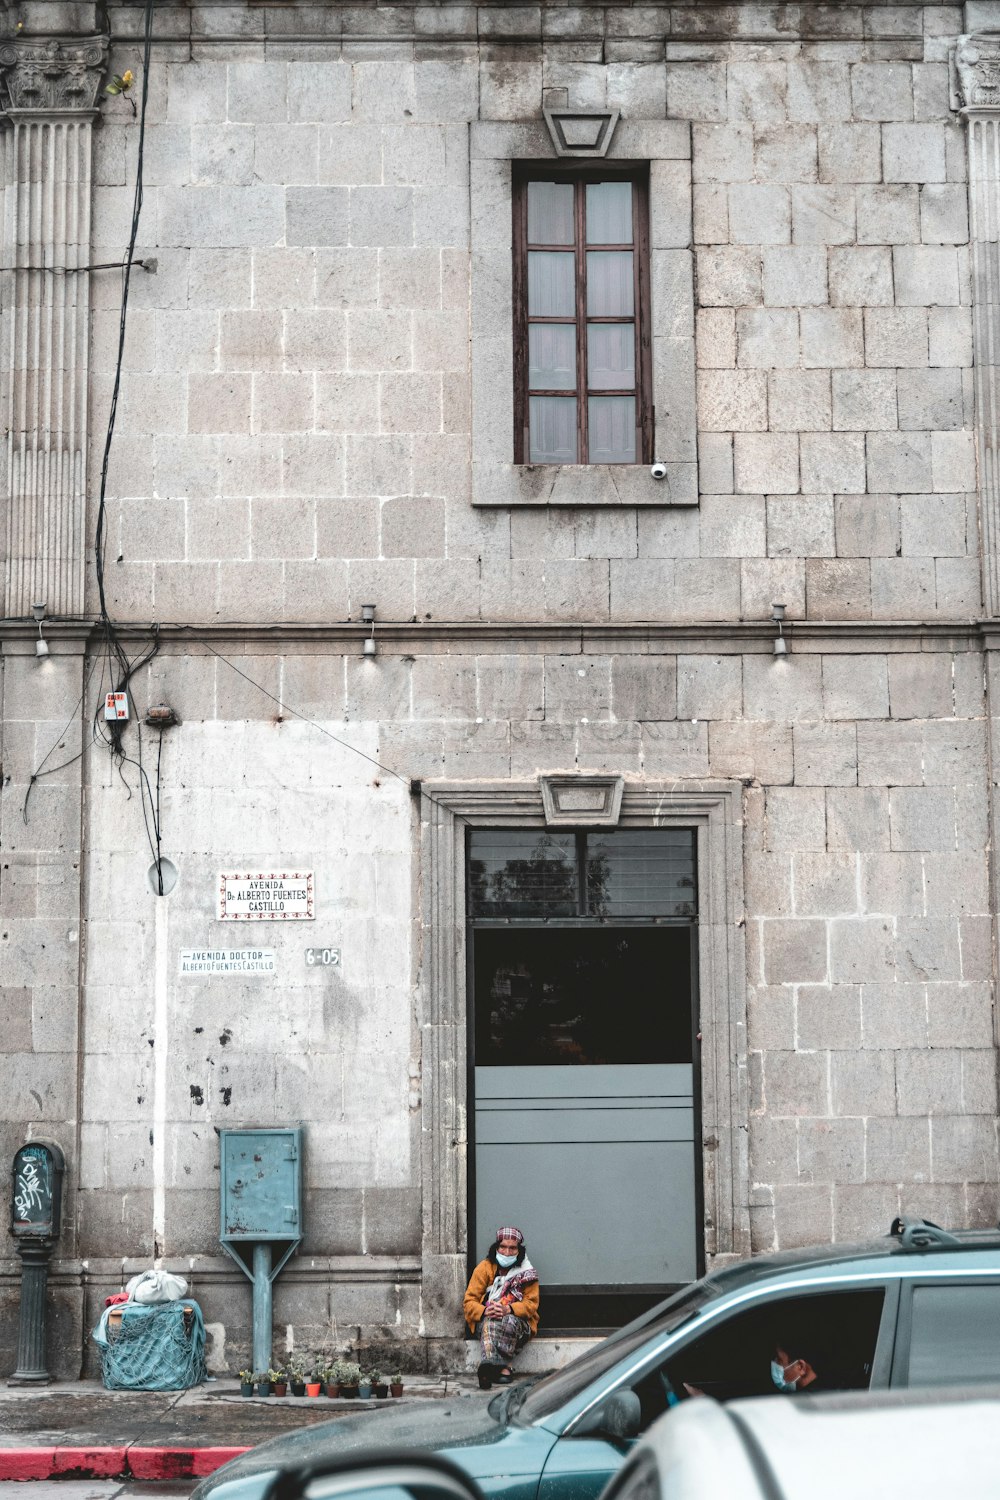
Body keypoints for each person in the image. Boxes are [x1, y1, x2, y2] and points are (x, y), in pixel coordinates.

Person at [463, 1225, 539, 1389]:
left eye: (512, 1248)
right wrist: (484, 1310)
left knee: (508, 1320)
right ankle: (502, 1367)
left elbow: (531, 1305)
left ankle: (490, 1367)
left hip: (518, 1324)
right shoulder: (484, 1268)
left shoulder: (527, 1272)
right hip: (487, 1321)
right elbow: (469, 1302)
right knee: (490, 1320)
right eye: (503, 1247)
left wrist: (509, 1309)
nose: (507, 1252)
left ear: (519, 1250)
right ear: (496, 1247)